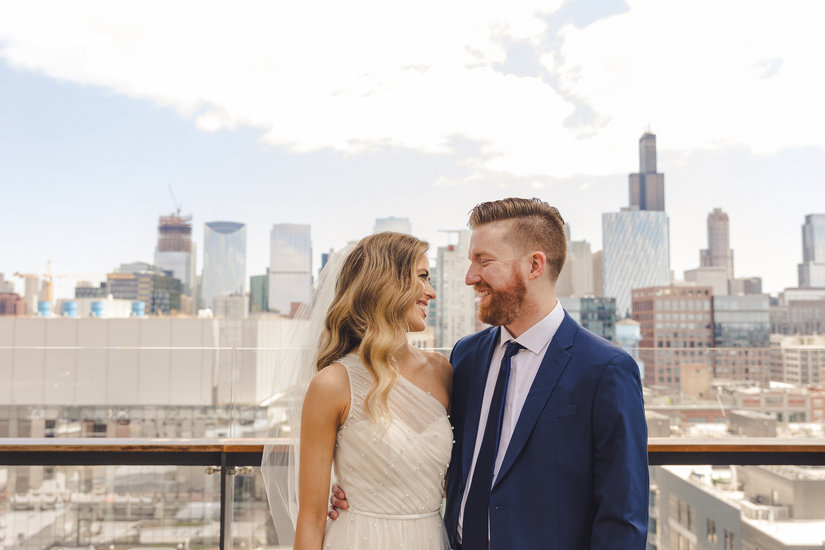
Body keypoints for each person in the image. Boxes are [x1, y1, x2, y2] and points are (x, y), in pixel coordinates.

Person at [333, 198, 649, 549]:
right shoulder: (466, 357)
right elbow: (430, 456)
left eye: (483, 261)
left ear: (534, 265)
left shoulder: (606, 370)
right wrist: (363, 487)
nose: (470, 277)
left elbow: (623, 518)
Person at [292, 231, 454, 550]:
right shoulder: (332, 384)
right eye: (422, 277)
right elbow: (310, 519)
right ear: (386, 283)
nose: (431, 292)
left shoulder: (443, 372)